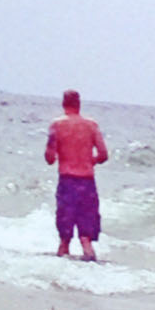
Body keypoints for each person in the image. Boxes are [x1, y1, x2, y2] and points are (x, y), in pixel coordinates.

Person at [44, 89, 108, 259]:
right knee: (86, 237)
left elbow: (50, 158)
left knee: (65, 238)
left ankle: (63, 267)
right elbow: (103, 154)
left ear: (63, 104)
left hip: (67, 180)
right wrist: (91, 161)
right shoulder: (91, 125)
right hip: (87, 181)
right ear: (79, 104)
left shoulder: (57, 125)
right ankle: (89, 259)